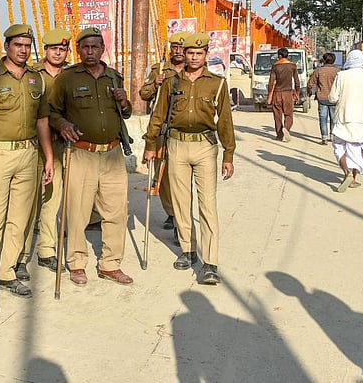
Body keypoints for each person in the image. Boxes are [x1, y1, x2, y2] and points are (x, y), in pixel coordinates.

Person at [0, 24, 53, 314]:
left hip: (28, 152)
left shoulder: (35, 79)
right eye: (18, 45)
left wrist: (48, 157)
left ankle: (6, 272)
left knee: (20, 218)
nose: (23, 50)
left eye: (27, 45)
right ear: (6, 46)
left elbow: (42, 120)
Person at [143, 33, 235, 285]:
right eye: (190, 53)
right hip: (176, 145)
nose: (194, 57)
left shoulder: (217, 83)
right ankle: (188, 250)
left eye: (199, 53)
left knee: (207, 206)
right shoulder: (172, 82)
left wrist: (229, 154)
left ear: (206, 54)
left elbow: (225, 120)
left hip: (205, 146)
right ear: (184, 54)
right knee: (181, 202)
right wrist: (151, 144)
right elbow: (158, 115)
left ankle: (211, 262)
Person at [48, 27, 134, 287]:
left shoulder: (114, 77)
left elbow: (126, 115)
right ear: (78, 50)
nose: (90, 51)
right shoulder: (67, 79)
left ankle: (110, 264)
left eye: (95, 46)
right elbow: (50, 111)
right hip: (82, 154)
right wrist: (62, 124)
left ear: (102, 48)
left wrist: (125, 102)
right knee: (78, 212)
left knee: (117, 211)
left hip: (112, 153)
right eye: (85, 47)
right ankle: (76, 263)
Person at [16, 28, 70, 278]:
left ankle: (46, 250)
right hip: (34, 145)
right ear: (46, 50)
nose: (58, 52)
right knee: (27, 203)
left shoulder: (72, 75)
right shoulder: (31, 74)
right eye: (53, 49)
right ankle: (21, 255)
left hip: (61, 145)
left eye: (63, 49)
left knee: (52, 199)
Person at [139, 33, 187, 237]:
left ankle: (180, 217)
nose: (178, 51)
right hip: (162, 127)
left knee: (180, 175)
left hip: (182, 129)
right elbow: (144, 94)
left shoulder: (193, 71)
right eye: (175, 47)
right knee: (163, 174)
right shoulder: (159, 70)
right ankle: (171, 211)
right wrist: (155, 84)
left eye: (182, 48)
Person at [330, 49, 363, 192]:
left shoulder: (341, 75)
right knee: (357, 149)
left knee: (339, 146)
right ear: (362, 61)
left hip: (343, 118)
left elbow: (333, 97)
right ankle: (354, 178)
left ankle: (346, 173)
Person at [266, 47, 300, 142]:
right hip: (288, 93)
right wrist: (297, 93)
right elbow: (297, 81)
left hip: (277, 93)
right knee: (289, 114)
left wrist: (269, 95)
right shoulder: (292, 66)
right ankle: (286, 128)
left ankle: (279, 135)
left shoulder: (275, 66)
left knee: (277, 115)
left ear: (279, 56)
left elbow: (271, 82)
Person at [308, 53, 340, 144]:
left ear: (324, 60)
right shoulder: (338, 72)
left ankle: (324, 138)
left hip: (322, 98)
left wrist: (309, 92)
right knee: (334, 119)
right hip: (334, 99)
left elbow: (310, 83)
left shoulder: (318, 71)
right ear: (333, 60)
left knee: (323, 119)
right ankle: (333, 136)